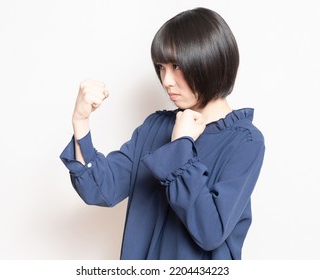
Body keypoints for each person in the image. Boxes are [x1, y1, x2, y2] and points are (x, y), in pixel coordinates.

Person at [60, 7, 265, 260]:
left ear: (209, 59)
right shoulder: (155, 127)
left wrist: (181, 144)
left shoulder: (244, 141)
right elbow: (101, 189)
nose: (166, 80)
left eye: (176, 65)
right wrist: (80, 120)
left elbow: (210, 231)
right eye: (161, 67)